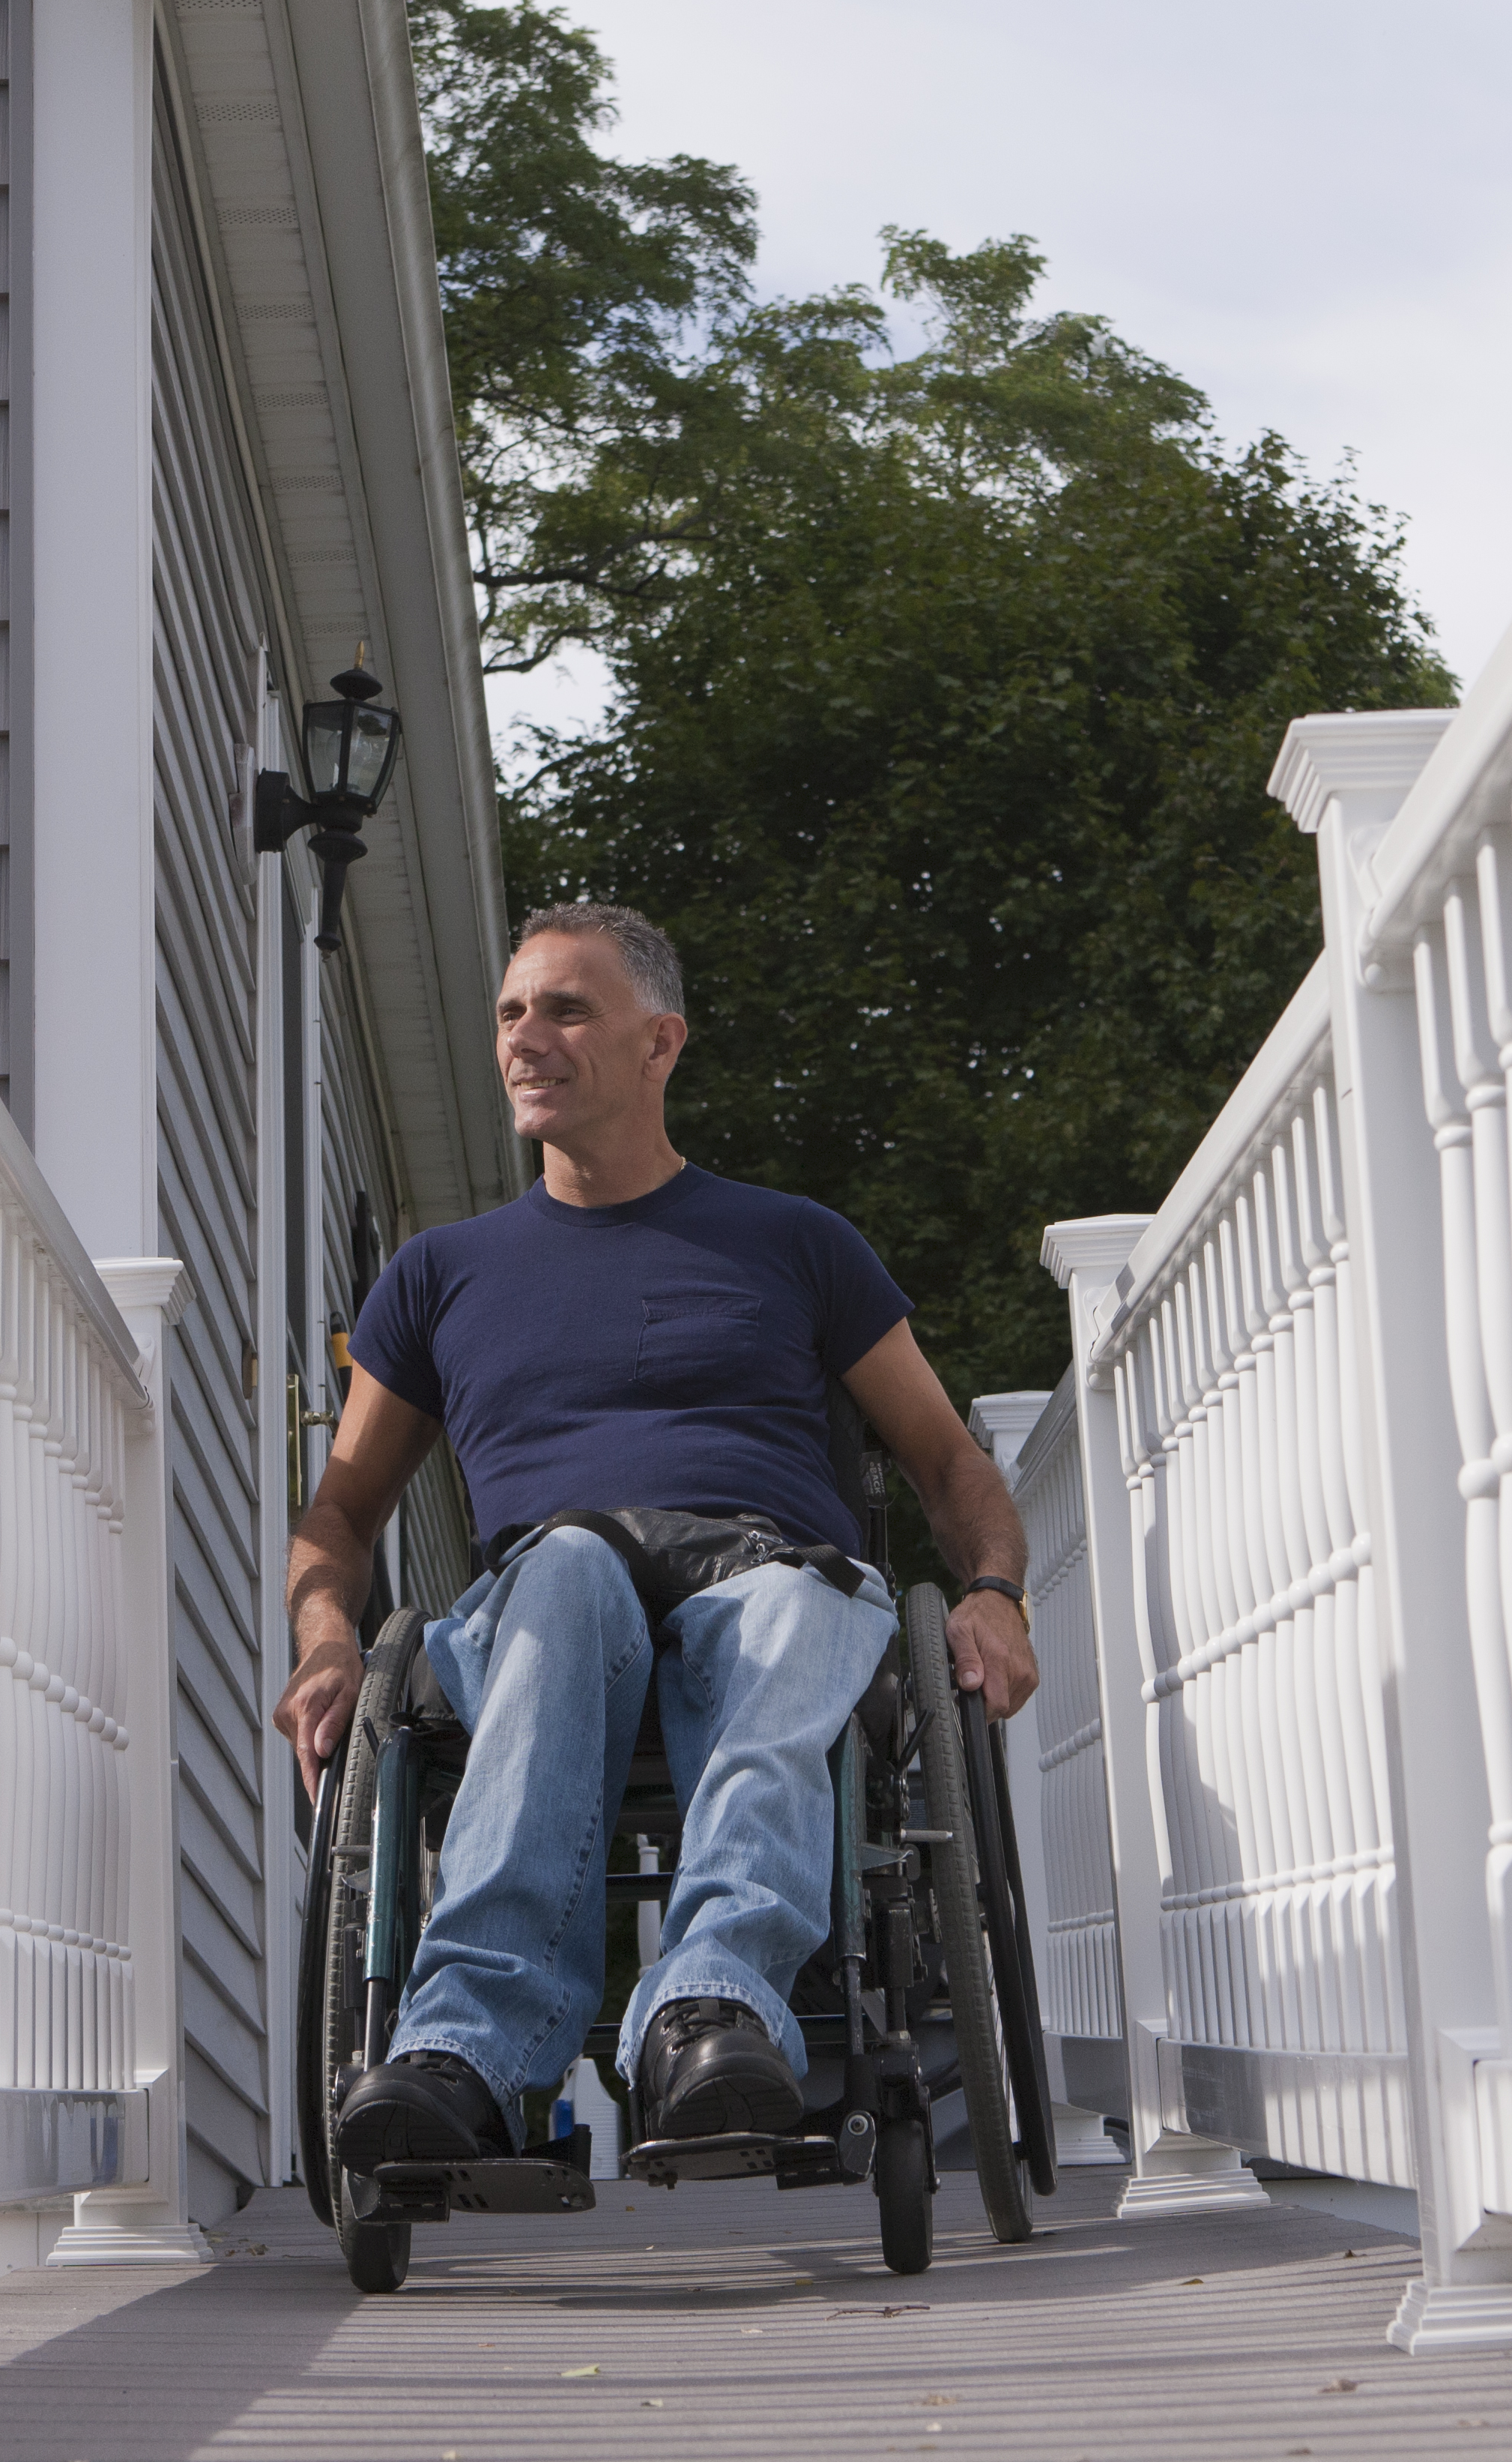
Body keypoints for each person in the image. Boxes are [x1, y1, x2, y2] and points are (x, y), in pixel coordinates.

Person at [272, 900, 1038, 2171]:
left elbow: (950, 1459)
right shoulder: (438, 1275)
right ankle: (461, 2046)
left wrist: (996, 1589)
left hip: (764, 1573)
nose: (528, 1039)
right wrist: (325, 1642)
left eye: (567, 1010)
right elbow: (341, 1511)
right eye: (513, 1012)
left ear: (659, 1044)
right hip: (551, 1600)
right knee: (570, 1572)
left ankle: (711, 2008)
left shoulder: (796, 1242)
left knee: (792, 1610)